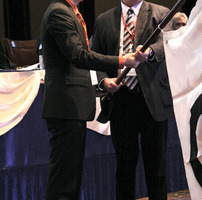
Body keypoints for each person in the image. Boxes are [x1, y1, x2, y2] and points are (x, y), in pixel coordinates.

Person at [40, 0, 146, 199]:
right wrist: (122, 60)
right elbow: (79, 56)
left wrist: (104, 83)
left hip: (71, 106)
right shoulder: (59, 12)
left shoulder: (71, 12)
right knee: (64, 180)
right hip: (65, 106)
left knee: (70, 178)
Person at [91, 0, 174, 199]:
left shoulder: (161, 13)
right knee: (124, 165)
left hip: (152, 98)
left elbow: (167, 43)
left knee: (156, 166)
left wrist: (149, 52)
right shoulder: (104, 20)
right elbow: (95, 56)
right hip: (120, 98)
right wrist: (103, 81)